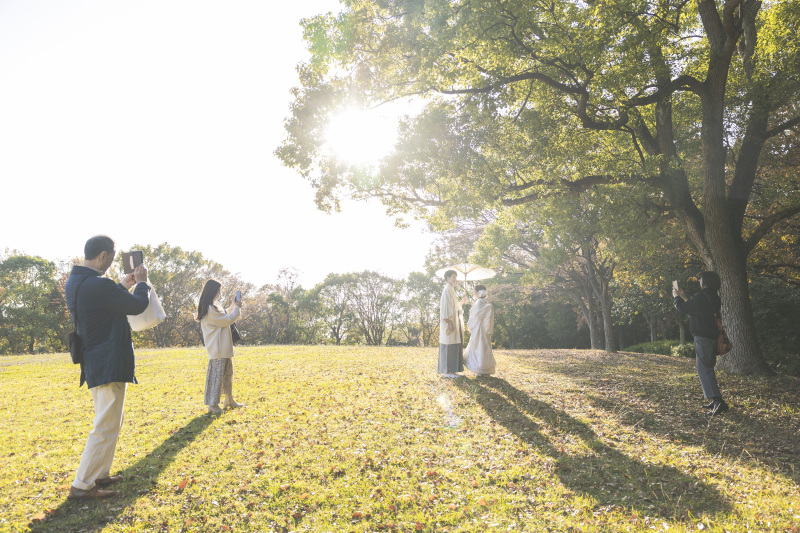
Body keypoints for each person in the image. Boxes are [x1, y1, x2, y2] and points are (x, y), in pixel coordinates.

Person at [64, 235, 151, 500]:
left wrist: (126, 283)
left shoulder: (77, 281)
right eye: (111, 257)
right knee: (105, 424)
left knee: (111, 420)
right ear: (102, 255)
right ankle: (82, 485)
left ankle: (99, 474)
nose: (112, 262)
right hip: (108, 358)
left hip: (94, 358)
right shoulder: (97, 285)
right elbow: (137, 306)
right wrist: (143, 282)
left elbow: (106, 299)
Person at [673, 271, 730, 416]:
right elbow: (696, 309)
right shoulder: (713, 297)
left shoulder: (702, 297)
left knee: (703, 368)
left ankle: (718, 401)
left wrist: (676, 298)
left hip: (703, 337)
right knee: (708, 367)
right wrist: (684, 296)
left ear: (705, 282)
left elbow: (684, 309)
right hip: (712, 336)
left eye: (700, 280)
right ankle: (715, 400)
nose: (699, 282)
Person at [197, 279, 244, 414]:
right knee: (216, 377)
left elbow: (225, 314)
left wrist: (233, 305)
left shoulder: (213, 306)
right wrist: (237, 308)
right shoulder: (209, 309)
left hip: (223, 346)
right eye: (219, 291)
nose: (220, 293)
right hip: (217, 347)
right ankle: (212, 405)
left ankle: (228, 399)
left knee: (227, 374)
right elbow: (227, 320)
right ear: (213, 291)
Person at [439, 270, 467, 377]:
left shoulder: (451, 290)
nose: (455, 279)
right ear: (447, 278)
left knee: (453, 343)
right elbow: (446, 308)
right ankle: (448, 371)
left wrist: (461, 302)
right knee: (449, 344)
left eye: (456, 277)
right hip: (450, 322)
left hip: (454, 321)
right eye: (453, 277)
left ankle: (452, 370)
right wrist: (448, 321)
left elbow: (454, 307)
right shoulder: (447, 290)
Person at [464, 284, 496, 376]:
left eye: (474, 290)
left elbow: (475, 316)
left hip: (479, 328)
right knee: (484, 347)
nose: (473, 292)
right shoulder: (484, 302)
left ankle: (480, 368)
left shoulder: (479, 303)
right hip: (484, 328)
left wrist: (470, 323)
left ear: (477, 292)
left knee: (479, 347)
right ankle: (485, 370)